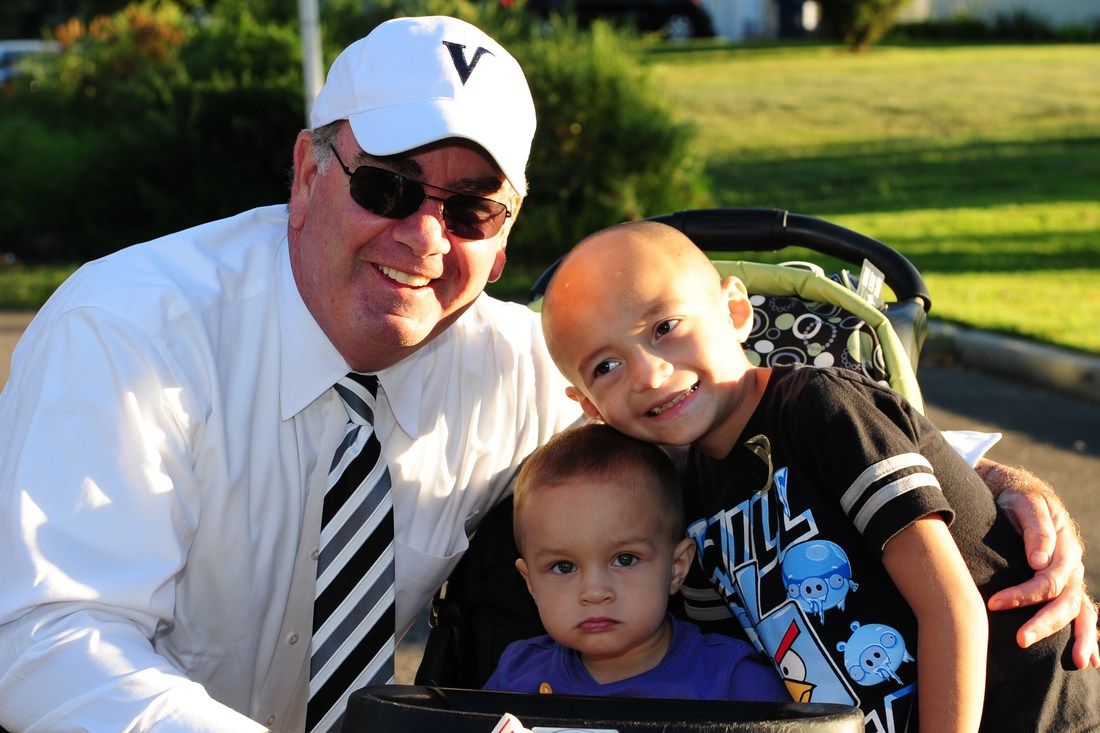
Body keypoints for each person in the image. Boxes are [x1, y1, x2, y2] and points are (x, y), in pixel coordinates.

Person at [0, 12, 1091, 733]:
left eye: (470, 206)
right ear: (305, 170)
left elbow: (729, 392)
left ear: (508, 227)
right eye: (386, 186)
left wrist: (1002, 495)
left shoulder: (520, 361)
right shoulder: (128, 330)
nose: (423, 238)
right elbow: (48, 645)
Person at [539, 220, 1100, 731]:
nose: (649, 373)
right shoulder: (684, 504)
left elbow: (952, 608)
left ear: (736, 312)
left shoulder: (819, 410)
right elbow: (731, 660)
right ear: (589, 405)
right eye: (606, 367)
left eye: (665, 326)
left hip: (1023, 709)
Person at [483, 423, 789, 702]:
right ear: (530, 583)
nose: (594, 592)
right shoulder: (516, 678)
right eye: (564, 567)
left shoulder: (733, 684)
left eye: (625, 559)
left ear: (676, 568)